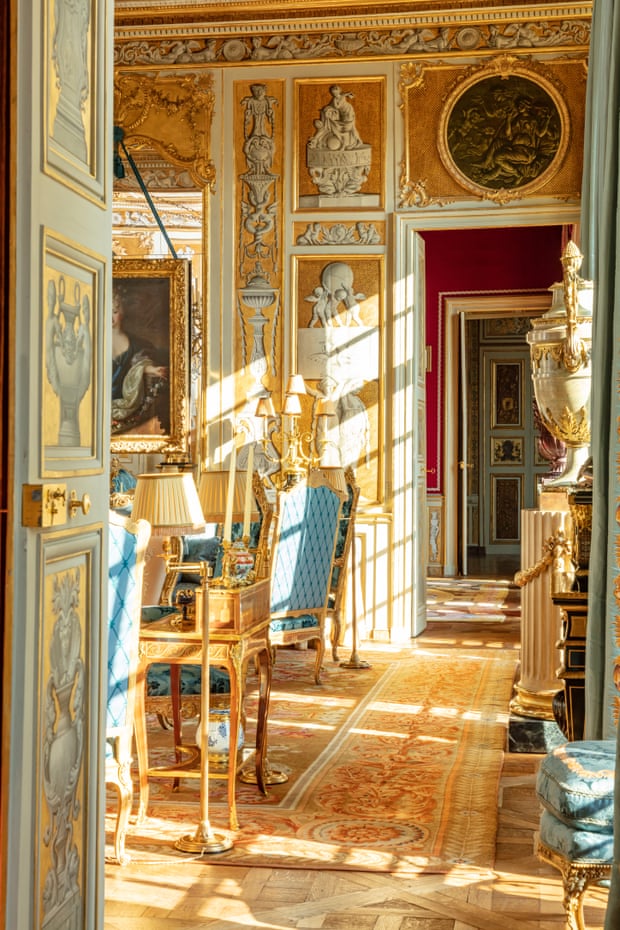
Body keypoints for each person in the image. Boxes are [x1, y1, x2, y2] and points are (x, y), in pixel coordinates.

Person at [111, 286, 169, 434]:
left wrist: (150, 369)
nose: (110, 318)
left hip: (124, 401)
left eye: (115, 312)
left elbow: (138, 362)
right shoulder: (94, 341)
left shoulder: (136, 344)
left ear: (122, 313)